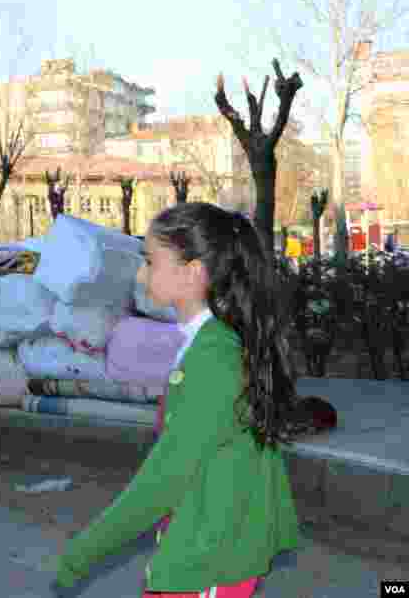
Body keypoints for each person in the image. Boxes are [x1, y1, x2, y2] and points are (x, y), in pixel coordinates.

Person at [51, 203, 304, 598]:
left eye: (151, 261)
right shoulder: (206, 344)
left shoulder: (214, 359)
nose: (141, 273)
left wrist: (85, 550)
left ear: (192, 274)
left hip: (211, 559)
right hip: (205, 544)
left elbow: (164, 478)